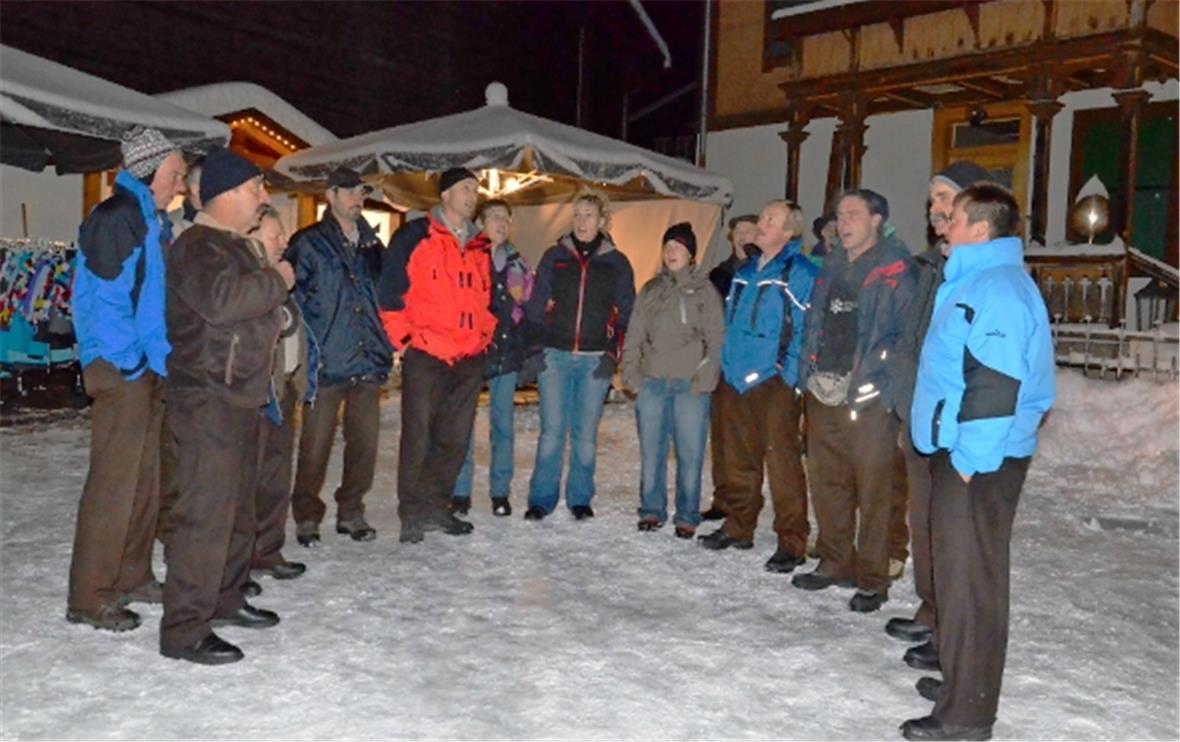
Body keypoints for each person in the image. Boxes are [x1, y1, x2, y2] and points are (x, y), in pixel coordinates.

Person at [901, 184, 1054, 741]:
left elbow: (996, 384)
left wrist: (970, 461)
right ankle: (959, 682)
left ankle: (966, 716)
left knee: (972, 586)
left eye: (955, 217)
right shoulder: (973, 280)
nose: (944, 223)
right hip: (960, 449)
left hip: (978, 460)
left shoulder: (999, 289)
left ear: (981, 229)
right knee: (958, 579)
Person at [160, 147, 293, 665]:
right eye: (256, 188)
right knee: (205, 515)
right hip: (207, 398)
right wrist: (276, 281)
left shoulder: (233, 246)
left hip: (239, 394)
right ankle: (184, 629)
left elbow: (248, 313)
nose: (264, 197)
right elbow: (222, 304)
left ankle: (226, 598)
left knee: (237, 508)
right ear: (229, 193)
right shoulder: (197, 245)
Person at [66, 126, 186, 632]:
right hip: (120, 369)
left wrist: (160, 361)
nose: (180, 182)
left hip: (146, 366)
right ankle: (90, 595)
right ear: (151, 169)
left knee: (145, 481)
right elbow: (109, 304)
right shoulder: (118, 218)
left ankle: (133, 573)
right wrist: (132, 364)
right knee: (114, 486)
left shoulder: (150, 220)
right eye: (176, 173)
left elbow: (152, 303)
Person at [885, 160, 994, 675]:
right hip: (921, 419)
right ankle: (932, 612)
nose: (935, 209)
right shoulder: (929, 266)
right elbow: (912, 344)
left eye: (945, 198)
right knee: (925, 524)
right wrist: (902, 403)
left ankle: (954, 632)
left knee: (956, 539)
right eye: (931, 200)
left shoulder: (982, 272)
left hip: (956, 426)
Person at [792, 188, 916, 613]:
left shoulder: (897, 267)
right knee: (828, 483)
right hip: (824, 389)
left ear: (877, 219)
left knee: (874, 490)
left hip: (869, 396)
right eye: (839, 215)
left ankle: (873, 577)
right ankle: (834, 561)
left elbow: (905, 337)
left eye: (853, 214)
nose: (843, 223)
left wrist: (884, 387)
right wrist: (805, 372)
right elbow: (814, 321)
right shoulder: (830, 264)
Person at [697, 201, 818, 576]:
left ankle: (792, 541)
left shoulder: (799, 272)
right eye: (761, 216)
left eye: (769, 220)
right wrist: (726, 366)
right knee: (736, 458)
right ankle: (738, 524)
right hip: (734, 378)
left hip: (773, 382)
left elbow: (806, 328)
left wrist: (788, 376)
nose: (760, 224)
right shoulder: (746, 270)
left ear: (789, 232)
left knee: (782, 465)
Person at [379, 167, 493, 544]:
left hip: (468, 357)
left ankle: (436, 507)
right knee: (418, 436)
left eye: (475, 189)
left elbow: (486, 297)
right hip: (427, 354)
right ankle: (411, 512)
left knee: (454, 438)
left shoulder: (480, 244)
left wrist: (484, 334)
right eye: (465, 188)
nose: (472, 195)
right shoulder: (415, 236)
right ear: (445, 194)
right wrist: (406, 342)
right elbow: (391, 294)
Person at [288, 166, 393, 545]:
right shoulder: (308, 243)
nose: (356, 199)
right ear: (330, 196)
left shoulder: (373, 247)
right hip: (327, 361)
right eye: (348, 192)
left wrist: (388, 344)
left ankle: (351, 512)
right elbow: (292, 301)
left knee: (364, 445)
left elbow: (387, 300)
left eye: (360, 193)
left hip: (367, 359)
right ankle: (306, 515)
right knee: (315, 446)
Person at [522, 188, 635, 522]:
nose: (582, 221)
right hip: (554, 357)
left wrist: (612, 355)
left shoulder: (616, 263)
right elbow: (535, 307)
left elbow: (627, 314)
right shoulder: (554, 257)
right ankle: (541, 499)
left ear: (602, 220)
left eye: (589, 215)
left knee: (585, 434)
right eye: (578, 214)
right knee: (552, 431)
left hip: (593, 360)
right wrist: (535, 348)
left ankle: (580, 498)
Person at [620, 222, 724, 538]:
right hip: (652, 383)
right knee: (652, 452)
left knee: (690, 453)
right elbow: (635, 334)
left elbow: (716, 337)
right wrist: (631, 374)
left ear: (691, 254)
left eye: (678, 247)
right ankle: (651, 510)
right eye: (667, 247)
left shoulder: (703, 290)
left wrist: (704, 379)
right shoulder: (651, 290)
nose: (671, 252)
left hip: (689, 386)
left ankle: (687, 514)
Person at [451, 199, 533, 518]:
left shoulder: (518, 262)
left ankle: (500, 492)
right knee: (464, 425)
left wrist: (522, 296)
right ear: (480, 223)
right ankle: (460, 492)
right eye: (494, 217)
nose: (500, 223)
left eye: (505, 218)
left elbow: (529, 301)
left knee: (503, 425)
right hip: (472, 349)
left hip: (506, 349)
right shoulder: (467, 256)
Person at [247, 206, 313, 586]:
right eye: (276, 235)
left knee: (275, 477)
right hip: (256, 392)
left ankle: (268, 549)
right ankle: (241, 559)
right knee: (249, 480)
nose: (284, 242)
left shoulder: (281, 277)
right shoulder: (252, 280)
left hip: (282, 390)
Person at [701, 213, 759, 522]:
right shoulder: (718, 275)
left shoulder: (764, 271)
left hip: (755, 367)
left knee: (748, 440)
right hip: (721, 364)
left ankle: (746, 502)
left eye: (750, 231)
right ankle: (723, 498)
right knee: (722, 435)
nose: (743, 236)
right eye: (738, 231)